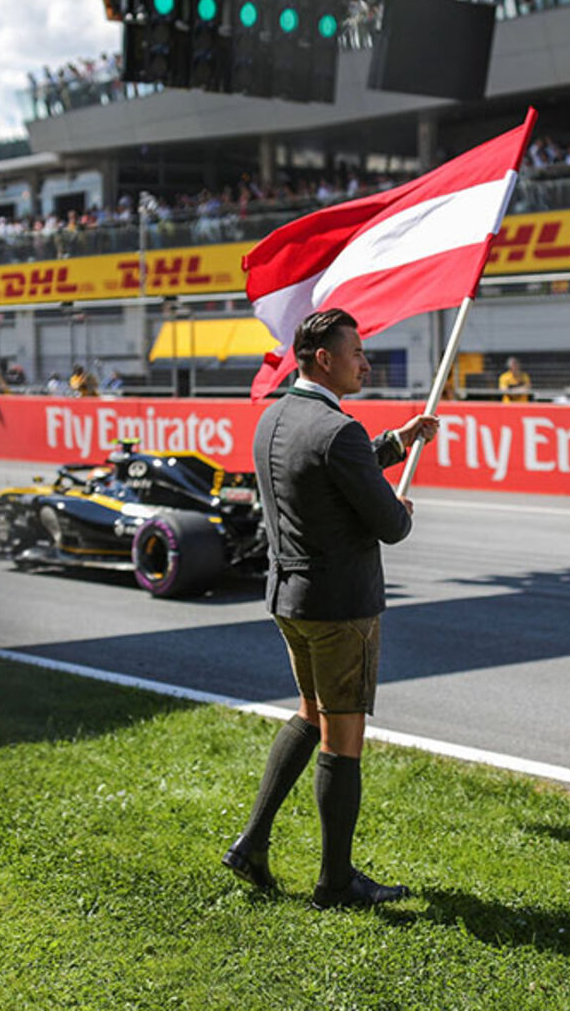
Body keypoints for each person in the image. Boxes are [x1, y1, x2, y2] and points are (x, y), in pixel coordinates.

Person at [223, 308, 438, 910]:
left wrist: (397, 442)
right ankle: (336, 883)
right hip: (341, 607)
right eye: (358, 353)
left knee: (310, 714)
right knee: (344, 739)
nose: (365, 363)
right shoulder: (337, 429)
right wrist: (401, 511)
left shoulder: (275, 416)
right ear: (325, 359)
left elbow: (327, 468)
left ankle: (252, 843)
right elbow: (389, 523)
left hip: (290, 599)